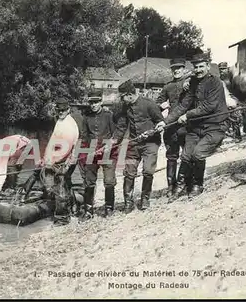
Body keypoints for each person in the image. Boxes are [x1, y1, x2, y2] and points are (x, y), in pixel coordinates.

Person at [155, 52, 229, 201]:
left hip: (215, 125)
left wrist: (188, 115)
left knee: (197, 154)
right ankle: (180, 185)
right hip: (196, 127)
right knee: (186, 155)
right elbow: (183, 105)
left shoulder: (215, 83)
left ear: (208, 66)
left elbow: (209, 106)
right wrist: (166, 121)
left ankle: (197, 184)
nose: (199, 70)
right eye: (196, 67)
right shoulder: (193, 82)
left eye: (201, 66)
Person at [113, 79, 164, 212]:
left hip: (150, 143)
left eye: (123, 97)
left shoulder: (149, 104)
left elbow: (160, 122)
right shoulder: (125, 108)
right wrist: (113, 141)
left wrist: (155, 129)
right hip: (134, 143)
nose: (122, 100)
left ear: (130, 94)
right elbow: (121, 127)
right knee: (129, 173)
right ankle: (128, 202)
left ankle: (145, 198)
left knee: (148, 171)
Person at [155, 58, 191, 198]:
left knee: (187, 155)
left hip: (186, 124)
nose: (176, 71)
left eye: (179, 68)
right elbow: (157, 103)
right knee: (171, 157)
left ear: (184, 68)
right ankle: (171, 186)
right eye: (174, 69)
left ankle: (186, 184)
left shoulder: (190, 82)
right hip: (171, 126)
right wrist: (161, 105)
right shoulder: (167, 86)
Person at [41, 97, 79, 226]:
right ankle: (73, 209)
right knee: (66, 184)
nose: (61, 112)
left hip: (65, 160)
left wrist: (53, 162)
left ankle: (62, 218)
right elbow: (53, 141)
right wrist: (46, 158)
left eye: (63, 110)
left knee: (60, 188)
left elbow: (65, 148)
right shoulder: (60, 121)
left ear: (68, 110)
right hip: (57, 159)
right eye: (59, 110)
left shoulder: (69, 124)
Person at [80, 89, 117, 218]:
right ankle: (88, 211)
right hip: (91, 152)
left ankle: (109, 208)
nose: (94, 105)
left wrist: (110, 145)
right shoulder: (86, 117)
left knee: (109, 181)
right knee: (89, 182)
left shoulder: (109, 115)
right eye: (91, 102)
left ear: (101, 102)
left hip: (107, 151)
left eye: (96, 102)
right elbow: (84, 137)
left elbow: (115, 135)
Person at [219, 62, 242, 143]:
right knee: (225, 118)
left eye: (223, 69)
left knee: (235, 119)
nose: (222, 71)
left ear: (227, 69)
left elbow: (237, 89)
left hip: (233, 99)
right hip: (224, 100)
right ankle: (226, 134)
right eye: (220, 69)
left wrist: (235, 100)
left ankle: (238, 136)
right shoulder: (220, 78)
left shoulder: (231, 78)